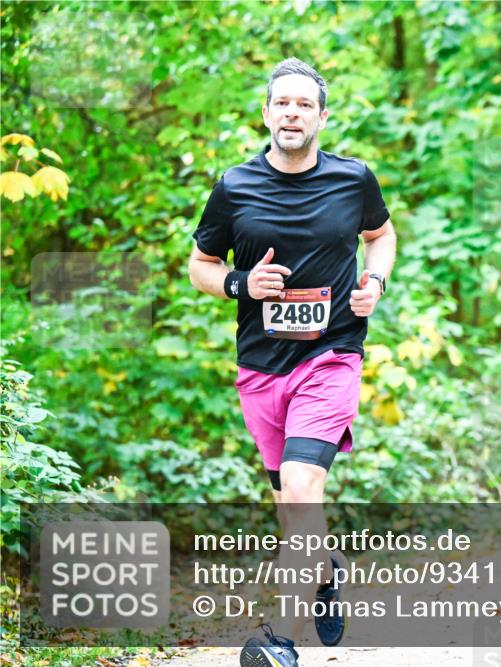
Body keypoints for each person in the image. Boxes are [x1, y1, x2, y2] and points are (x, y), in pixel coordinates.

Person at [188, 58, 397, 667]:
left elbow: (380, 236)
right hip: (260, 368)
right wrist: (240, 284)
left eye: (305, 105)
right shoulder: (234, 187)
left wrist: (374, 283)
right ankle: (327, 567)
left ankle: (280, 640)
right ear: (266, 113)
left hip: (331, 357)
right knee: (292, 508)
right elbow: (200, 266)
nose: (292, 113)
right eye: (282, 103)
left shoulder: (353, 180)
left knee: (305, 490)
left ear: (322, 117)